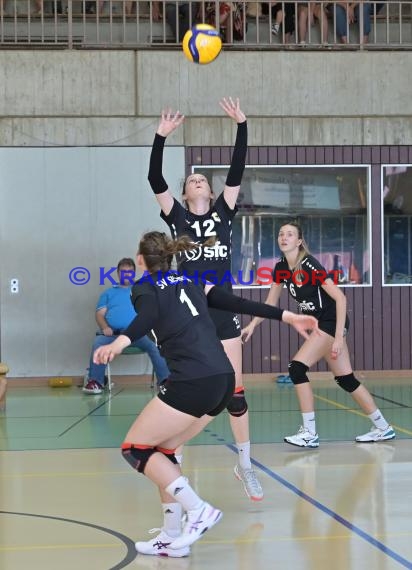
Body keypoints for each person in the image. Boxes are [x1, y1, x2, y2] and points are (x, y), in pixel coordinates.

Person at [93, 230, 319, 556]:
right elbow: (235, 302)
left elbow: (149, 316)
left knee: (135, 449)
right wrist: (286, 315)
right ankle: (171, 537)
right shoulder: (191, 280)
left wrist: (119, 342)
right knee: (165, 452)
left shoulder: (143, 287)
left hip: (192, 381)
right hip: (224, 379)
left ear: (141, 259)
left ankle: (197, 510)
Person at [148, 98, 265, 502]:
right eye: (191, 180)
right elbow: (154, 179)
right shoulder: (177, 218)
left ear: (210, 191)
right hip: (192, 313)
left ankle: (245, 464)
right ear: (183, 192)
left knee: (236, 391)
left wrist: (241, 124)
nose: (196, 181)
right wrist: (161, 137)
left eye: (202, 179)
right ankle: (175, 448)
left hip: (225, 309)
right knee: (192, 384)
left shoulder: (223, 212)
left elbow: (238, 169)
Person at [241, 221, 396, 448]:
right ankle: (383, 427)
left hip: (331, 322)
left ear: (299, 241)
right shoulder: (281, 268)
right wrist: (253, 324)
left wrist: (340, 336)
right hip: (319, 324)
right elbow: (270, 303)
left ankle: (309, 432)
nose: (284, 237)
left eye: (290, 234)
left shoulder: (310, 265)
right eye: (281, 234)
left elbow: (341, 299)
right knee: (346, 379)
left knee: (297, 368)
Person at [83, 257, 170, 395]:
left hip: (139, 334)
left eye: (129, 272)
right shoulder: (108, 293)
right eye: (123, 272)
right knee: (98, 343)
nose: (126, 275)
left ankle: (165, 382)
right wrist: (105, 327)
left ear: (134, 273)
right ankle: (95, 382)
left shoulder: (141, 290)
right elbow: (99, 315)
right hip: (114, 335)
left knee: (156, 344)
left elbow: (151, 311)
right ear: (118, 273)